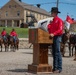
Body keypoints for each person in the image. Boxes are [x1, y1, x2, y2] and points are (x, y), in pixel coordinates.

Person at [48, 7, 64, 73]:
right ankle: (55, 68)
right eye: (51, 12)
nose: (51, 13)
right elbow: (50, 29)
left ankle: (59, 68)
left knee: (57, 52)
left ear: (55, 13)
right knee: (54, 53)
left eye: (52, 12)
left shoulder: (59, 20)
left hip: (57, 37)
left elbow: (60, 30)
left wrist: (53, 34)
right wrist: (49, 25)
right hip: (53, 37)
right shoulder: (52, 21)